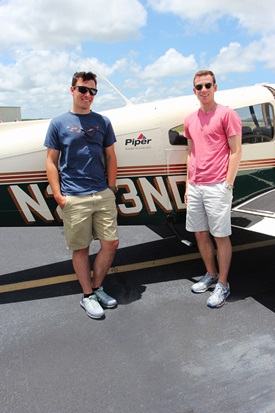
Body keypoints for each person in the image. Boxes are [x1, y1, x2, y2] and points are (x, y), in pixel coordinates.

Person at [44, 71, 119, 319]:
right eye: (83, 90)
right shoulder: (58, 123)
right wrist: (58, 196)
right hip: (74, 195)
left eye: (92, 91)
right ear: (72, 90)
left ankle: (97, 288)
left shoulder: (103, 122)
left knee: (111, 243)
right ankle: (87, 296)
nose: (87, 95)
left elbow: (110, 155)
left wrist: (111, 187)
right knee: (81, 248)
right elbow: (51, 161)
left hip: (102, 193)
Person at [184, 70, 242, 308]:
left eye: (208, 85)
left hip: (218, 185)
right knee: (199, 234)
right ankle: (211, 274)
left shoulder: (227, 114)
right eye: (199, 86)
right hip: (196, 185)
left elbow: (236, 151)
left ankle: (224, 284)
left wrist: (228, 184)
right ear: (194, 91)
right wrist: (188, 185)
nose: (203, 90)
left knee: (220, 236)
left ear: (215, 87)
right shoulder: (190, 119)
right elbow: (190, 153)